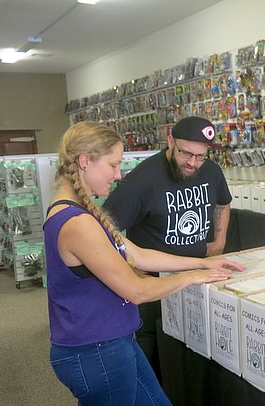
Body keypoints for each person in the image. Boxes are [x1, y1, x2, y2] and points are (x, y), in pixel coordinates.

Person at [44, 121, 244, 405]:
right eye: (112, 165)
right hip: (96, 350)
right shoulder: (76, 224)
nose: (117, 175)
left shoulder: (81, 213)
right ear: (85, 161)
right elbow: (136, 290)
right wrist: (192, 277)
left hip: (115, 342)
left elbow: (139, 254)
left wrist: (200, 263)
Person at [102, 115, 232, 382]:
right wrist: (129, 268)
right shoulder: (142, 179)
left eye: (200, 156)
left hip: (197, 275)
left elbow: (223, 202)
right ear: (170, 141)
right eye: (186, 154)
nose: (193, 163)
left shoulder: (210, 171)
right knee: (152, 356)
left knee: (194, 352)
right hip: (154, 286)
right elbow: (104, 229)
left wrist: (219, 240)